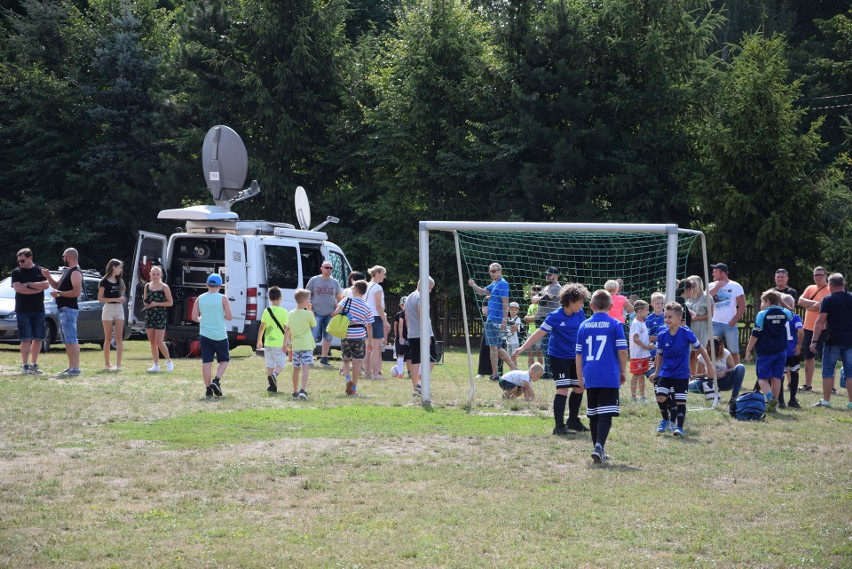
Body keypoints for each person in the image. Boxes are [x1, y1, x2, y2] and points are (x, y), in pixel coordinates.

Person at [514, 283, 591, 435]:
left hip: (575, 357)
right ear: (570, 301)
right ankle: (559, 427)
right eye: (580, 301)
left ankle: (573, 421)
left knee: (579, 387)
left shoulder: (580, 313)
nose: (582, 304)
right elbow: (539, 333)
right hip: (559, 357)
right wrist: (522, 348)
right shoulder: (555, 316)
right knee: (562, 389)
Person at [576, 289, 628, 463]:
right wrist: (622, 371)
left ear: (591, 306)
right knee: (605, 414)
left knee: (594, 414)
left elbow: (578, 355)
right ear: (611, 306)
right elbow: (622, 351)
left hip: (590, 375)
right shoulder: (615, 324)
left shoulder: (583, 326)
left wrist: (579, 377)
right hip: (608, 375)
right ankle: (599, 446)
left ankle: (598, 448)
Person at [649, 302, 716, 436]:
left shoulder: (686, 333)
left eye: (670, 317)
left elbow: (700, 348)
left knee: (680, 401)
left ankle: (679, 427)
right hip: (666, 373)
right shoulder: (662, 334)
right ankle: (665, 420)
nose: (667, 320)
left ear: (679, 318)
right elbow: (660, 353)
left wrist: (709, 365)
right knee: (660, 397)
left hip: (681, 374)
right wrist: (656, 371)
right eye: (665, 317)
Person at [744, 290, 793, 413]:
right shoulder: (785, 312)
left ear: (768, 301)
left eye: (763, 301)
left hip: (765, 351)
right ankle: (774, 406)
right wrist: (782, 302)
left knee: (762, 377)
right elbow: (792, 312)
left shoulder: (762, 314)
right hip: (781, 351)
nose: (762, 304)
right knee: (777, 378)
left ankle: (770, 398)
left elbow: (755, 334)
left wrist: (748, 350)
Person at [810, 273, 852, 409]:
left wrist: (814, 341)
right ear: (843, 284)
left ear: (830, 285)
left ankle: (826, 401)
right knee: (850, 372)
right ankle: (851, 402)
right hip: (850, 340)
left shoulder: (827, 299)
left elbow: (820, 321)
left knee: (828, 370)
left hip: (832, 339)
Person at [41, 248, 84, 377]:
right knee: (67, 340)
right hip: (63, 310)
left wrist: (59, 294)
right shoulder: (67, 271)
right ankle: (71, 367)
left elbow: (76, 293)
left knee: (72, 339)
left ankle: (75, 368)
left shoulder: (76, 272)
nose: (63, 258)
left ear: (69, 257)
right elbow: (56, 285)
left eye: (64, 256)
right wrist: (48, 276)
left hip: (69, 310)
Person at [469, 263, 513, 380]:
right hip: (491, 319)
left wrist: (504, 320)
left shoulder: (503, 284)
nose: (492, 273)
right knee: (496, 348)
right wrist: (474, 285)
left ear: (500, 271)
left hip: (496, 320)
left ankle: (496, 374)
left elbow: (505, 303)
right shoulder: (494, 284)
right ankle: (509, 370)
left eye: (494, 271)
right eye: (490, 271)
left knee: (495, 348)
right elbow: (483, 292)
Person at [191, 274, 232, 397]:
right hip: (220, 334)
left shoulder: (200, 298)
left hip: (205, 334)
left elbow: (193, 317)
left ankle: (208, 389)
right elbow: (229, 317)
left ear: (207, 284)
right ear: (220, 286)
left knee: (207, 362)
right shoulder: (223, 298)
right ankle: (216, 380)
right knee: (224, 360)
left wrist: (202, 320)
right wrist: (220, 316)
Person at [10, 248, 49, 375]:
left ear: (30, 258)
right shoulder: (16, 272)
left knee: (38, 338)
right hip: (23, 310)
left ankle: (34, 364)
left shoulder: (40, 270)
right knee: (25, 338)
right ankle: (25, 365)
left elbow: (46, 285)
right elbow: (18, 288)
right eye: (18, 260)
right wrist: (35, 288)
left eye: (22, 260)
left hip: (39, 309)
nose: (20, 262)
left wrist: (28, 284)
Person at [331, 280, 373, 395]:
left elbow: (336, 313)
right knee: (357, 362)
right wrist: (370, 341)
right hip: (360, 335)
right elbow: (369, 325)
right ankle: (353, 388)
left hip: (346, 333)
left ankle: (348, 379)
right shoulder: (367, 306)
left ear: (355, 290)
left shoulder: (346, 300)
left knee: (345, 360)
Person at [797, 266, 831, 391]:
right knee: (808, 357)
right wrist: (817, 305)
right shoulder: (810, 288)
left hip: (824, 328)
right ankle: (808, 384)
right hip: (808, 327)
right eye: (815, 275)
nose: (818, 277)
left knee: (827, 357)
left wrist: (809, 305)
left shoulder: (830, 289)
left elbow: (825, 306)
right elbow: (800, 301)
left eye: (820, 275)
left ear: (826, 275)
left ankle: (830, 386)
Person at [305, 260, 342, 367]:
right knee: (312, 335)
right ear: (321, 268)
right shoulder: (314, 280)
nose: (329, 270)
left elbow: (339, 298)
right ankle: (309, 357)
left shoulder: (335, 282)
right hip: (316, 313)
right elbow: (307, 296)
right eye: (327, 267)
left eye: (331, 268)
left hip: (330, 313)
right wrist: (310, 310)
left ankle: (324, 358)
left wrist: (336, 311)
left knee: (328, 337)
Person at [708, 263, 746, 365]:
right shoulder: (711, 285)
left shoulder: (736, 286)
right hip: (714, 322)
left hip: (730, 324)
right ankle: (714, 373)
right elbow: (705, 299)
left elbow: (742, 306)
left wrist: (733, 321)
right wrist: (717, 287)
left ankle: (737, 374)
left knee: (734, 351)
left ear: (723, 273)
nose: (713, 274)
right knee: (712, 349)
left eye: (715, 272)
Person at [406, 277, 437, 397]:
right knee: (433, 358)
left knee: (416, 361)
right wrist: (426, 334)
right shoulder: (420, 297)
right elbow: (421, 315)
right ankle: (421, 383)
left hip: (412, 333)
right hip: (422, 333)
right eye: (429, 288)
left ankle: (416, 388)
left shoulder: (409, 297)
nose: (430, 291)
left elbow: (407, 316)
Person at [690, 337, 746, 402]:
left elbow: (733, 368)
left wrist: (724, 372)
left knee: (741, 367)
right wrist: (707, 374)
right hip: (710, 382)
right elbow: (698, 374)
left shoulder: (726, 353)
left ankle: (734, 397)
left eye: (721, 348)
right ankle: (710, 394)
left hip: (724, 381)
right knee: (690, 386)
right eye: (717, 349)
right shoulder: (702, 356)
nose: (720, 351)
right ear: (709, 348)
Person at [141, 265, 174, 373]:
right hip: (149, 315)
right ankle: (156, 365)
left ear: (161, 275)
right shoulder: (147, 286)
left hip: (160, 315)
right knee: (152, 342)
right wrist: (147, 304)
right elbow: (145, 300)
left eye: (157, 274)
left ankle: (169, 361)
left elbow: (170, 303)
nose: (155, 276)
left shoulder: (164, 287)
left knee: (159, 341)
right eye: (153, 274)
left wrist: (156, 304)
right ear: (150, 275)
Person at [256, 286, 289, 394]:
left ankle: (270, 386)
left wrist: (259, 340)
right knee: (280, 364)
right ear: (281, 298)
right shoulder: (284, 312)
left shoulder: (266, 310)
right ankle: (274, 376)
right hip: (279, 343)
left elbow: (262, 326)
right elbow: (286, 329)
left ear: (269, 299)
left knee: (270, 364)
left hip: (268, 343)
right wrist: (288, 342)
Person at [287, 288, 317, 400]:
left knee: (296, 368)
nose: (310, 301)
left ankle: (295, 391)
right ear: (305, 301)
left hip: (296, 345)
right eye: (309, 299)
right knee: (305, 367)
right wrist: (310, 311)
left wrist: (286, 343)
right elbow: (314, 324)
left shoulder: (291, 314)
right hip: (306, 345)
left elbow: (288, 329)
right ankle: (303, 390)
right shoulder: (308, 314)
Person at [97, 259, 126, 372]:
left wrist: (121, 299)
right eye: (119, 267)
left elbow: (121, 294)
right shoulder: (104, 281)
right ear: (113, 267)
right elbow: (100, 299)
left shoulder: (120, 281)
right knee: (108, 337)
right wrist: (115, 299)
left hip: (119, 309)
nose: (121, 270)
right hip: (108, 308)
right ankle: (107, 363)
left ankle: (118, 364)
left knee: (119, 337)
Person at [683, 275, 714, 375]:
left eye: (692, 284)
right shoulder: (688, 298)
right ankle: (692, 375)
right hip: (690, 327)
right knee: (691, 353)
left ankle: (702, 374)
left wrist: (696, 318)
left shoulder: (707, 297)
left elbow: (710, 315)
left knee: (700, 352)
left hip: (702, 328)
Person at [364, 265, 389, 379]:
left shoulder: (367, 286)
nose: (384, 276)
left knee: (368, 347)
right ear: (377, 273)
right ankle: (375, 374)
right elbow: (379, 306)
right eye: (383, 273)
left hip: (366, 318)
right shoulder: (378, 288)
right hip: (375, 318)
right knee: (375, 347)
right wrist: (385, 321)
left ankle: (367, 373)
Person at [780, 294, 804, 408]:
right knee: (794, 373)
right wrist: (799, 345)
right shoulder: (795, 317)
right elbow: (800, 331)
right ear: (791, 305)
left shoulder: (779, 317)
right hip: (793, 350)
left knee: (779, 376)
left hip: (780, 350)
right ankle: (792, 399)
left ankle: (780, 401)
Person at [628, 300, 653, 402]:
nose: (648, 312)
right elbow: (636, 339)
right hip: (637, 355)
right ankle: (633, 397)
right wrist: (647, 347)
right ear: (639, 311)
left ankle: (642, 396)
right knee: (636, 375)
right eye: (646, 310)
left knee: (642, 375)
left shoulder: (643, 322)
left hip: (644, 355)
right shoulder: (636, 323)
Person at [523, 285, 544, 368]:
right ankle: (530, 370)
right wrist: (528, 318)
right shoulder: (530, 306)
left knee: (539, 352)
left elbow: (535, 318)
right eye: (531, 294)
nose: (532, 296)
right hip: (530, 332)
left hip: (539, 332)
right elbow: (527, 318)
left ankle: (540, 370)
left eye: (534, 294)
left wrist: (528, 318)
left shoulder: (541, 306)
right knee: (530, 351)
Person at [645, 292, 665, 375]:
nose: (660, 305)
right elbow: (646, 337)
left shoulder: (667, 316)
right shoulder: (649, 319)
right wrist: (659, 337)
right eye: (657, 303)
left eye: (662, 303)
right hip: (654, 349)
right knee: (655, 370)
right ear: (652, 304)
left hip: (666, 346)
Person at [392, 296, 408, 378]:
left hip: (402, 337)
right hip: (407, 336)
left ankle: (401, 373)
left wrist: (398, 336)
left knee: (400, 355)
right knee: (407, 356)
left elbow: (397, 326)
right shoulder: (400, 314)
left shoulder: (400, 314)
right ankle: (408, 372)